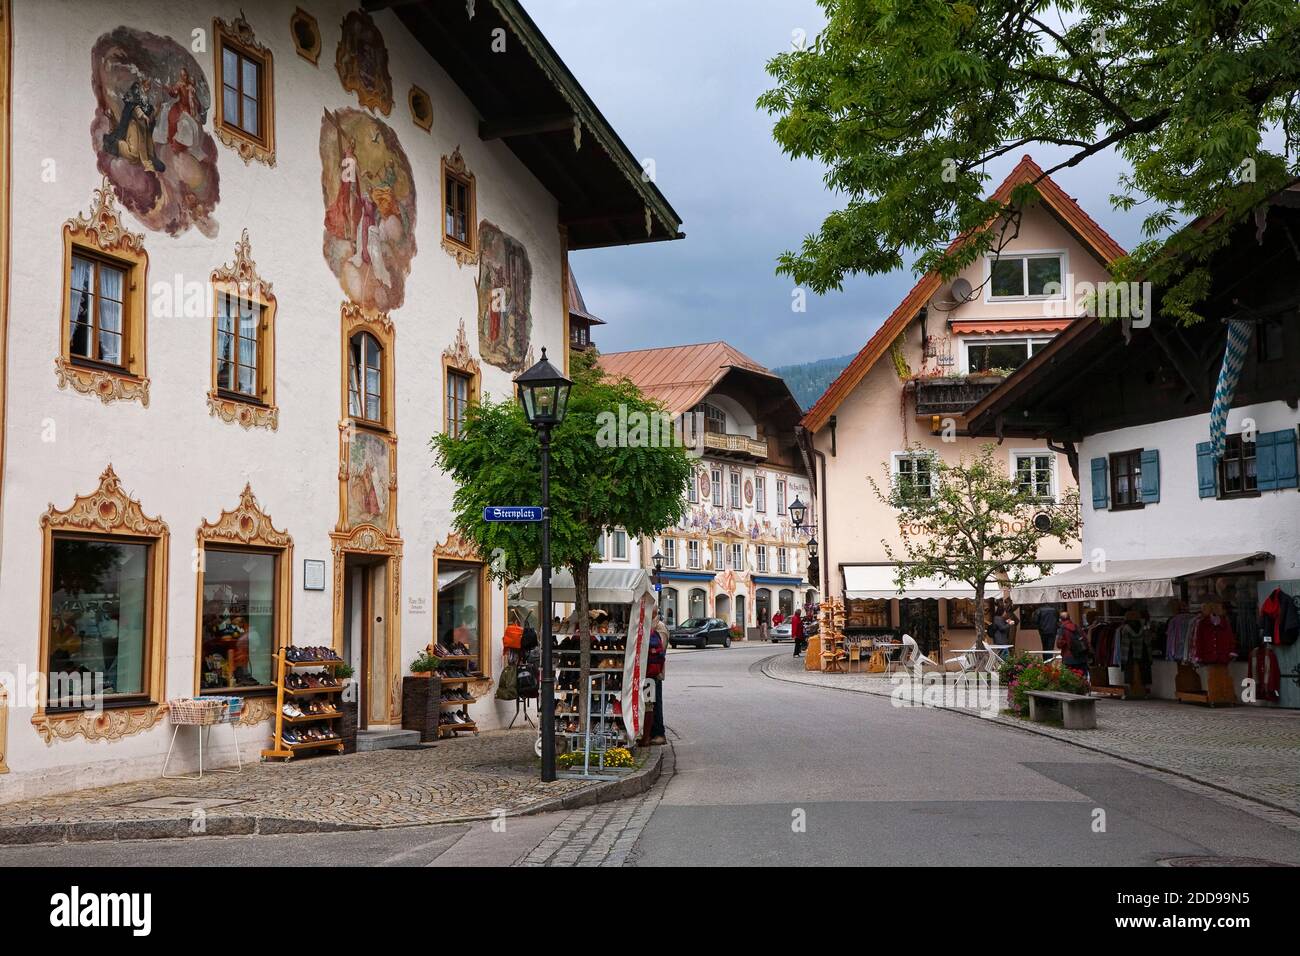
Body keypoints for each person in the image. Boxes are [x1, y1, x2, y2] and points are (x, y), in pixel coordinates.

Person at [648, 608, 670, 745]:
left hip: (655, 672)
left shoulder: (659, 627)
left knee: (655, 703)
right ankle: (651, 732)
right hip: (650, 671)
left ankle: (659, 733)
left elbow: (659, 649)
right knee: (650, 702)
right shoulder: (651, 625)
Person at [1056, 610, 1090, 681]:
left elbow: (1059, 644)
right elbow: (1086, 640)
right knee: (1082, 678)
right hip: (1081, 657)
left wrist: (1065, 642)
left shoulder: (1062, 629)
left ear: (1060, 619)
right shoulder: (1077, 627)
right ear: (1070, 618)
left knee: (1070, 680)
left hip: (1069, 658)